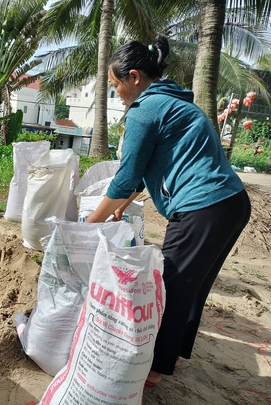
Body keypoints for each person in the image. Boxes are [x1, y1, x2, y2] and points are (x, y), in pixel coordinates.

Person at [86, 35, 251, 386]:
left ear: (134, 77)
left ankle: (154, 370)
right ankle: (171, 355)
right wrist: (127, 203)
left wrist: (90, 222)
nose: (117, 95)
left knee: (170, 286)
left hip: (201, 207)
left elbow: (127, 177)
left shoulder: (144, 110)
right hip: (231, 203)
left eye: (116, 86)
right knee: (192, 287)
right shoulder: (175, 103)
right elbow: (156, 167)